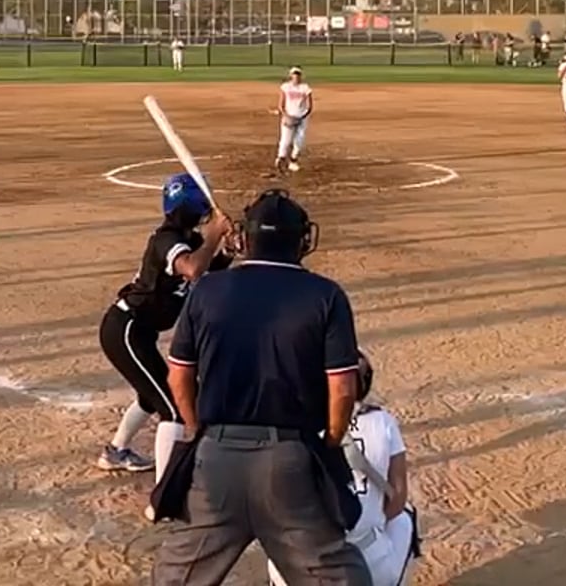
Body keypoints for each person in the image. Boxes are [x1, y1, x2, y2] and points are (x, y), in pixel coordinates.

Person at [151, 189, 371, 586]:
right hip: (289, 460)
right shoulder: (325, 295)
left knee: (178, 578)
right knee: (337, 577)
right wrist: (331, 441)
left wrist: (197, 429)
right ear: (302, 240)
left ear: (245, 239)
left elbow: (178, 376)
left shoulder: (208, 289)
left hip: (215, 458)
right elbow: (342, 388)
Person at [99, 173, 235, 477]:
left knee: (151, 396)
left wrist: (227, 250)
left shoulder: (189, 240)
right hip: (126, 329)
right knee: (173, 408)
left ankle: (116, 451)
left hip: (140, 331)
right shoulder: (167, 239)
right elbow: (192, 268)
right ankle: (166, 488)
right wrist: (214, 235)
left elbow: (207, 270)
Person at [267, 351, 420, 586]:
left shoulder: (294, 423)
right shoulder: (384, 421)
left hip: (305, 563)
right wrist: (371, 521)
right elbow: (397, 498)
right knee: (404, 519)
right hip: (368, 561)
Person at [273, 67, 314, 174]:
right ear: (290, 75)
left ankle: (293, 160)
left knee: (299, 140)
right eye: (294, 74)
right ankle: (281, 158)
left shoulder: (305, 88)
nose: (296, 76)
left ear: (301, 76)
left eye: (298, 74)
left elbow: (310, 106)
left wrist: (303, 116)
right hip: (288, 117)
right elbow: (281, 104)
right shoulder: (285, 87)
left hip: (302, 118)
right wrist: (286, 116)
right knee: (285, 140)